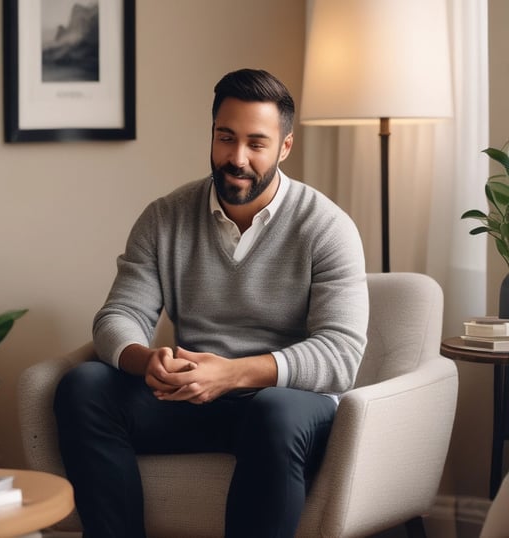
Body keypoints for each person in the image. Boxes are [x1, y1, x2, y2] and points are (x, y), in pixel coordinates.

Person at [53, 68, 369, 538]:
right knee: (84, 387)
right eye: (226, 138)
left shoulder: (327, 227)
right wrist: (148, 361)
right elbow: (118, 316)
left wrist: (234, 373)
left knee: (274, 413)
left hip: (287, 408)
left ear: (284, 147)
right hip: (193, 397)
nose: (236, 158)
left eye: (256, 143)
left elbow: (340, 355)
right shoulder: (165, 217)